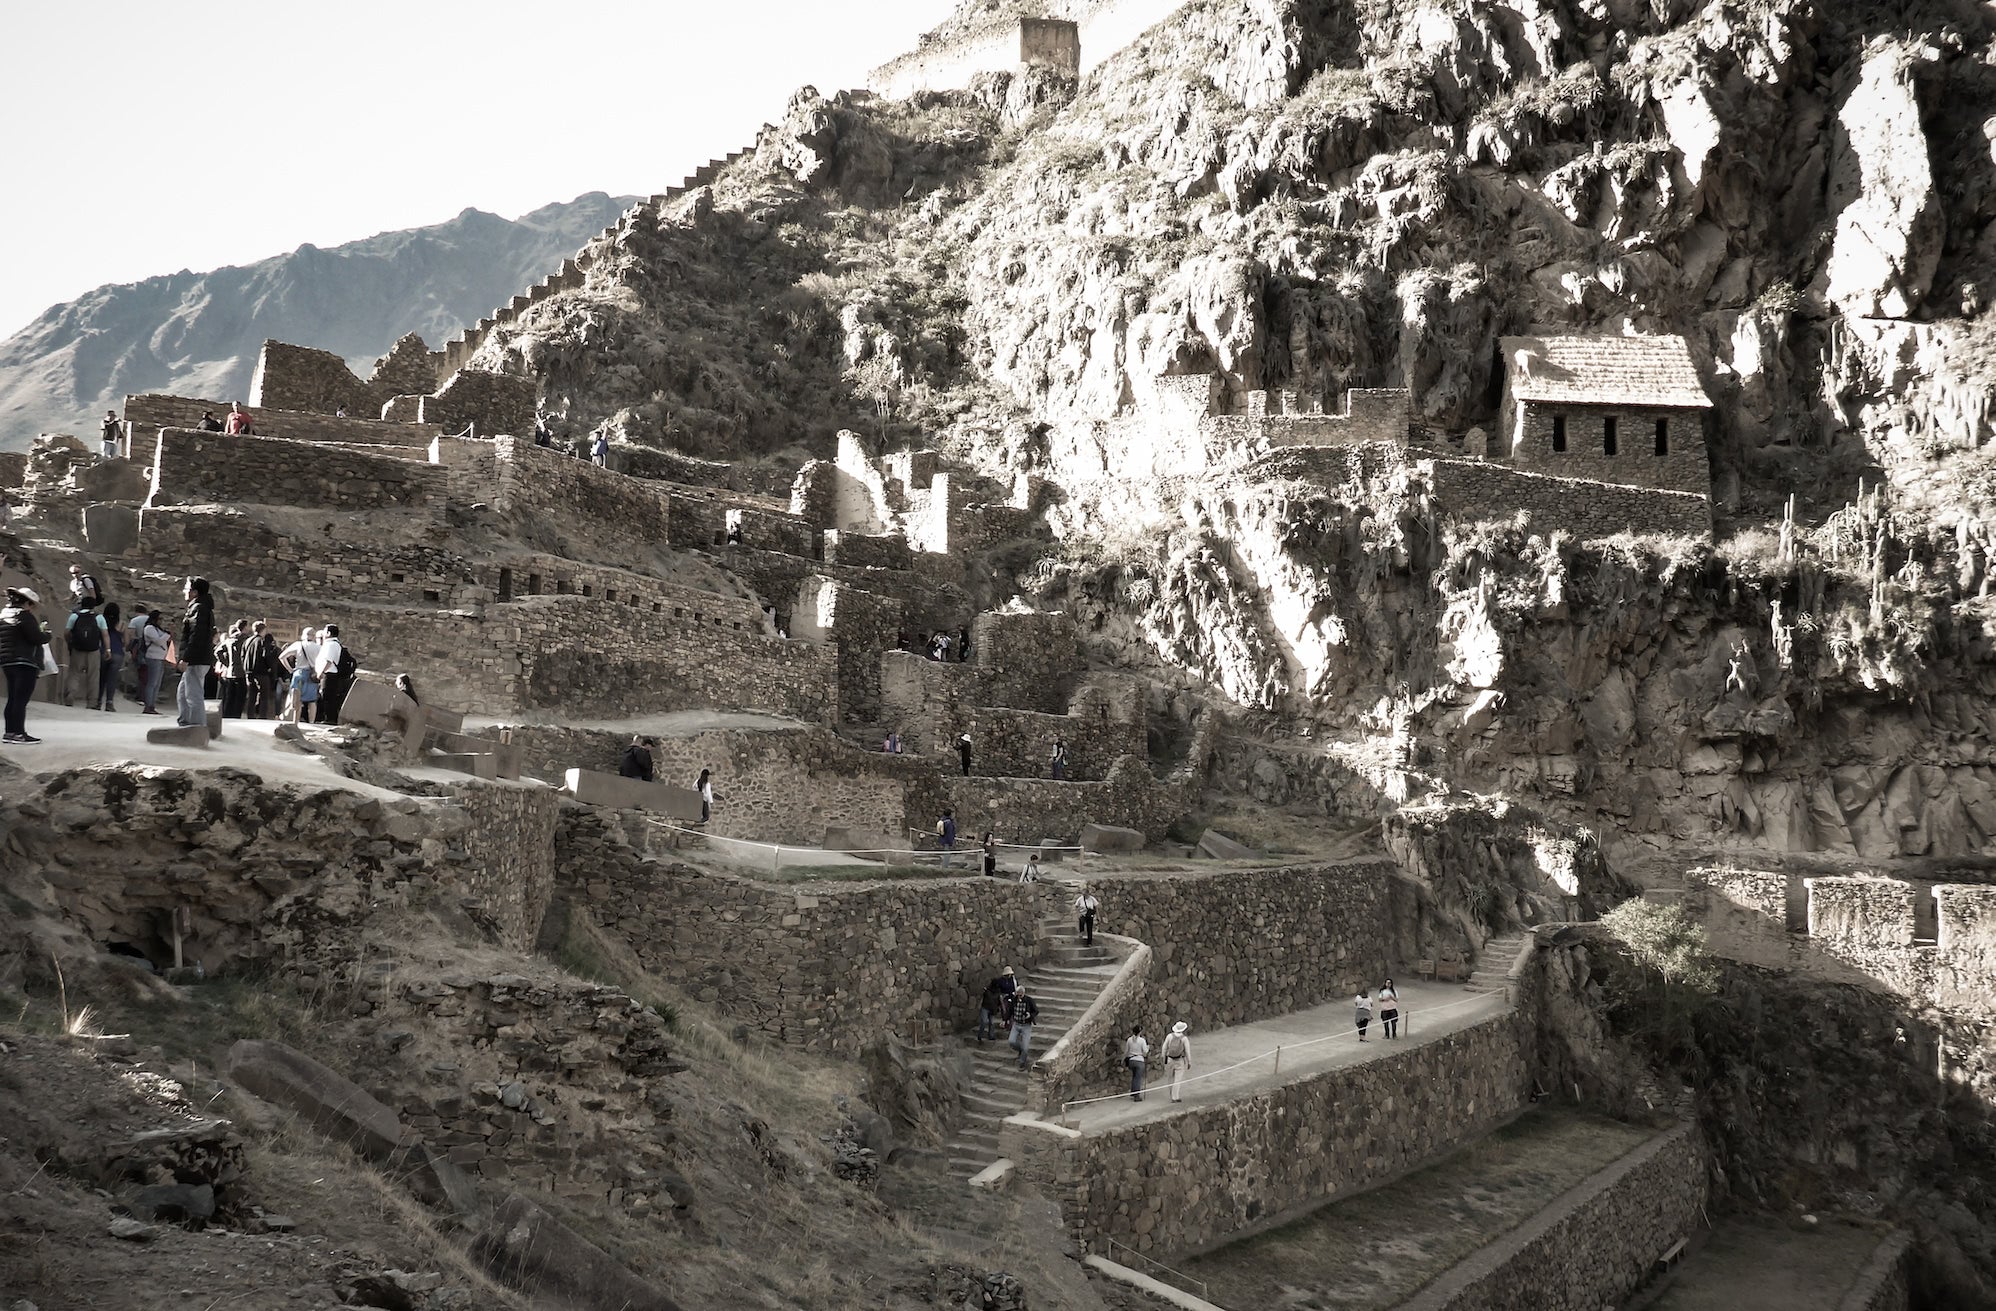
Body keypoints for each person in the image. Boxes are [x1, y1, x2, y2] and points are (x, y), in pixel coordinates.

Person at [1, 586, 48, 743]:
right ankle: (19, 733)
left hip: (7, 661)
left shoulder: (4, 615)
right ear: (27, 603)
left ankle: (9, 732)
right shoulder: (25, 616)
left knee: (13, 698)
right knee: (21, 700)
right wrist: (47, 634)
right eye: (32, 604)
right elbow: (36, 638)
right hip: (25, 661)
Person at [176, 577, 215, 728]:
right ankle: (185, 724)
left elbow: (196, 635)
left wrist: (186, 657)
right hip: (198, 657)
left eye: (187, 588)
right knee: (183, 693)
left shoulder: (199, 608)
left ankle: (197, 728)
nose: (185, 591)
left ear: (195, 592)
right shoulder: (201, 607)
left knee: (193, 695)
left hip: (196, 658)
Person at [61, 598, 103, 708]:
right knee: (93, 676)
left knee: (74, 674)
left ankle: (70, 695)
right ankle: (92, 702)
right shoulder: (98, 617)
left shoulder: (75, 616)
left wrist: (70, 643)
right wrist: (108, 649)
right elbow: (105, 634)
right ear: (93, 606)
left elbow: (66, 632)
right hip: (93, 650)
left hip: (78, 649)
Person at [135, 608, 170, 714]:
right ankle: (148, 705)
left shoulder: (158, 629)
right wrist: (168, 635)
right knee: (152, 683)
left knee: (157, 684)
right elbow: (158, 641)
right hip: (153, 657)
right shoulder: (149, 628)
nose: (161, 621)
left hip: (160, 657)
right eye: (160, 619)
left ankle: (152, 705)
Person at [314, 623, 350, 724]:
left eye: (325, 631)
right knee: (326, 696)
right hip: (329, 674)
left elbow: (328, 661)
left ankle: (329, 719)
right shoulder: (333, 644)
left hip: (329, 674)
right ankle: (325, 718)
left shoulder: (331, 644)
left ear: (329, 633)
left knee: (327, 697)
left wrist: (321, 672)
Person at [244, 621, 281, 718]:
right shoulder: (261, 641)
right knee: (264, 696)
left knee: (252, 695)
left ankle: (250, 716)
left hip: (249, 671)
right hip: (261, 671)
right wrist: (270, 668)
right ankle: (262, 716)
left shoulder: (248, 641)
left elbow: (242, 656)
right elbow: (266, 655)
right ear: (263, 630)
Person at [217, 619, 250, 718]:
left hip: (230, 671)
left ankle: (226, 716)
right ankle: (236, 716)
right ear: (245, 627)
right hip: (242, 672)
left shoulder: (229, 639)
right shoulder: (246, 640)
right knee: (240, 697)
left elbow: (217, 651)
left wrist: (227, 663)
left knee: (229, 696)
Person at [96, 601, 123, 712]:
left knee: (101, 678)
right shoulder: (121, 624)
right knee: (112, 679)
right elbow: (126, 641)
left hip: (103, 651)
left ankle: (97, 702)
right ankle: (109, 703)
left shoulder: (101, 621)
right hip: (117, 653)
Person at [1008, 988, 1039, 1071]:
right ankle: (1021, 1050)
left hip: (1026, 1025)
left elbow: (1036, 1011)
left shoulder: (1029, 1000)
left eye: (1021, 994)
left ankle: (1022, 1063)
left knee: (1026, 1047)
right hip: (1016, 1024)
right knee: (1011, 1041)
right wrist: (1005, 1020)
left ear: (1024, 993)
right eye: (1018, 994)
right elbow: (1010, 1011)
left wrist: (1030, 1015)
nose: (1019, 996)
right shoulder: (1014, 1000)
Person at [1162, 1022, 1193, 1101]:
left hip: (1169, 1059)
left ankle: (1171, 1096)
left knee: (1170, 1078)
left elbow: (1164, 1048)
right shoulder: (1184, 1039)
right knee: (1177, 1079)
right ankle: (1175, 1096)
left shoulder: (1169, 1036)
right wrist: (1189, 1062)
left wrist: (1163, 1057)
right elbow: (1187, 1051)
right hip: (1179, 1060)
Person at [288, 659, 320, 724]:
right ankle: (311, 722)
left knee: (298, 699)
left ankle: (295, 722)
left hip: (300, 672)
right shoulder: (319, 649)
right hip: (312, 674)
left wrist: (290, 669)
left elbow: (282, 657)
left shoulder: (298, 648)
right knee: (312, 700)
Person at [977, 976, 1006, 1043]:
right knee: (984, 1022)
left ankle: (991, 1036)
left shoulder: (996, 992)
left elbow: (1001, 1001)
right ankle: (980, 1035)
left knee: (992, 1023)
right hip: (986, 1007)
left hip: (992, 1009)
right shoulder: (987, 991)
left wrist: (1003, 1009)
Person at [1125, 1025, 1150, 1101]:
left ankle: (1133, 1091)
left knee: (1134, 1076)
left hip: (1131, 1060)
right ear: (1140, 1032)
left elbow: (1126, 1051)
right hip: (1139, 1060)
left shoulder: (1129, 1040)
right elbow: (1145, 1052)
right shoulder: (1142, 1040)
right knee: (1138, 1078)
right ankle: (1136, 1095)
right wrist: (1148, 1048)